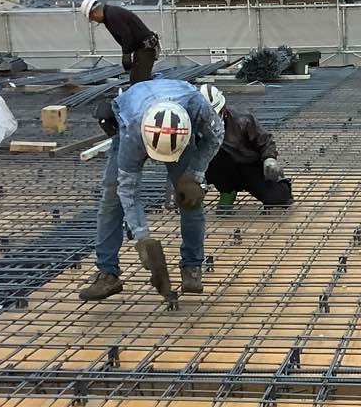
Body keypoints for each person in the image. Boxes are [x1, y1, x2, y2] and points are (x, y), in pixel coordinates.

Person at [79, 79, 224, 301]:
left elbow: (216, 136)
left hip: (176, 129)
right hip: (134, 120)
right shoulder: (133, 133)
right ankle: (107, 273)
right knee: (112, 197)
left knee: (190, 197)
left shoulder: (197, 106)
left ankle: (192, 267)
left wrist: (194, 175)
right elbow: (128, 188)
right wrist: (142, 237)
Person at [198, 84, 293, 213]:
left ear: (223, 108)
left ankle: (280, 185)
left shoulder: (242, 119)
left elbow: (265, 140)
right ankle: (227, 191)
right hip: (221, 168)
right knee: (215, 152)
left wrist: (269, 159)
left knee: (278, 198)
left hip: (248, 165)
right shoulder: (196, 124)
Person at [81, 0, 161, 83]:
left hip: (146, 48)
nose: (95, 21)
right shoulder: (110, 13)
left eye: (93, 18)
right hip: (144, 48)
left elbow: (126, 36)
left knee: (139, 81)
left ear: (94, 13)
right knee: (137, 79)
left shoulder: (112, 16)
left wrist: (126, 55)